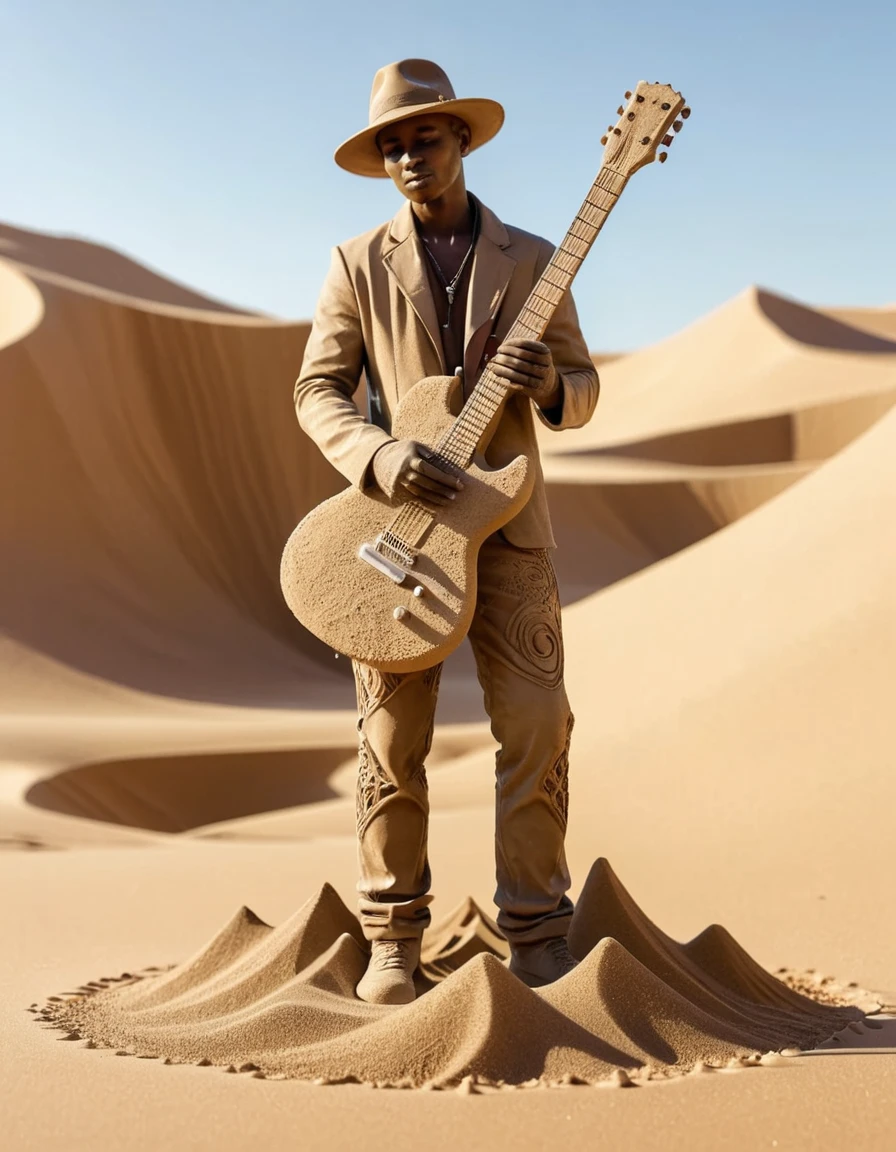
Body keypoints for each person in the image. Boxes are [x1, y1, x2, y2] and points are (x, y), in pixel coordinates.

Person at [293, 59, 599, 1004]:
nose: (408, 157)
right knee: (390, 740)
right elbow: (316, 391)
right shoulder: (355, 263)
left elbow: (583, 391)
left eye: (424, 137)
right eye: (392, 144)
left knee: (539, 723)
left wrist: (548, 382)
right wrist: (380, 459)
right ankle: (393, 935)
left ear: (462, 140)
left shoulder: (538, 258)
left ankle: (539, 929)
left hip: (510, 533)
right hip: (396, 534)